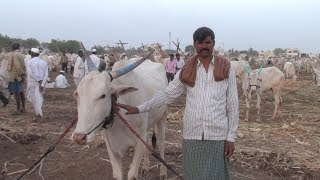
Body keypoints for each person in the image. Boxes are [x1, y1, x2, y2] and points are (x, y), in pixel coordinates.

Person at [118, 27, 239, 180]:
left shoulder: (225, 67)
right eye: (200, 43)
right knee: (194, 175)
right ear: (195, 44)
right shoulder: (187, 68)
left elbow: (233, 105)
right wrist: (139, 108)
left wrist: (231, 137)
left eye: (208, 42)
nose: (204, 46)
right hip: (192, 135)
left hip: (218, 136)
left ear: (213, 44)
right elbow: (167, 94)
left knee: (216, 175)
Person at [26, 48, 49, 122]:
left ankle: (40, 116)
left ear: (32, 54)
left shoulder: (29, 62)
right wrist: (42, 84)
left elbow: (30, 74)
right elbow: (46, 75)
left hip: (33, 83)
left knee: (35, 100)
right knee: (39, 99)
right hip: (42, 84)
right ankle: (37, 115)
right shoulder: (44, 63)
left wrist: (38, 80)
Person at [7, 43, 26, 115]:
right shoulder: (21, 54)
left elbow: (18, 66)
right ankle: (23, 108)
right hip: (20, 76)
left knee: (17, 93)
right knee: (21, 92)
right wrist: (23, 75)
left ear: (12, 48)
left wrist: (21, 74)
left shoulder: (14, 55)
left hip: (15, 76)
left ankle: (18, 110)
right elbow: (23, 65)